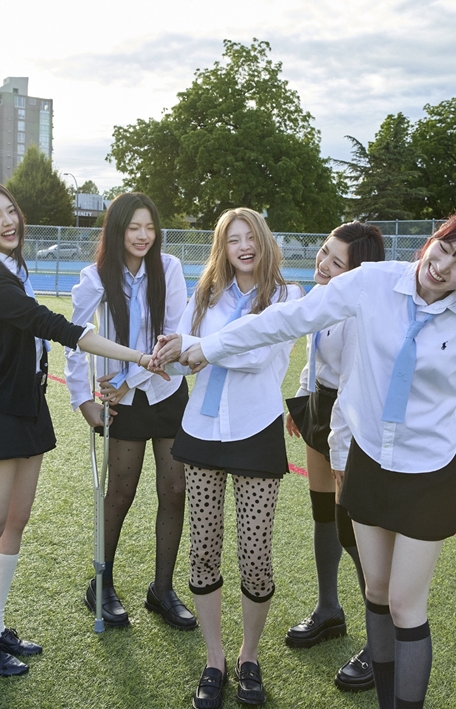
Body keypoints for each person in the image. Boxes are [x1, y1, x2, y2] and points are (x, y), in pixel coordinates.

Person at [159, 206, 456, 709]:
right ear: (433, 239)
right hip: (368, 460)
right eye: (443, 249)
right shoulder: (372, 282)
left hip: (428, 470)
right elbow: (285, 319)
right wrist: (208, 347)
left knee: (405, 604)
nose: (443, 267)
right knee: (377, 592)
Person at [0, 181, 156, 677]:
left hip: (29, 407)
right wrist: (138, 357)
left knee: (16, 520)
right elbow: (60, 329)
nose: (8, 222)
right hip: (0, 413)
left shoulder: (13, 269)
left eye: (10, 211)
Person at [153, 208, 303, 708]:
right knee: (202, 550)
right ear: (223, 247)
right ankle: (215, 659)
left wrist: (196, 346)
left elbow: (256, 354)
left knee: (256, 557)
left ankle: (248, 656)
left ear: (264, 241)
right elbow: (181, 359)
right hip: (201, 431)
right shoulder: (204, 296)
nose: (244, 246)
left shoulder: (286, 296)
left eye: (251, 236)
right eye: (233, 239)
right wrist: (166, 356)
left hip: (255, 432)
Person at [65, 192, 196, 631]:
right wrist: (83, 399)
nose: (143, 236)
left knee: (175, 489)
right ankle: (101, 585)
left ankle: (163, 589)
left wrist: (128, 378)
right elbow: (73, 338)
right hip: (123, 404)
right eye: (134, 227)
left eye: (150, 227)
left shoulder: (169, 268)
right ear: (117, 230)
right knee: (120, 492)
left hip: (166, 391)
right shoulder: (95, 277)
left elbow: (173, 336)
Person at [283, 222, 384, 695]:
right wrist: (302, 401)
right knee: (323, 514)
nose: (322, 263)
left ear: (357, 273)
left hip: (350, 418)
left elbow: (353, 385)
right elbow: (314, 355)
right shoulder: (323, 297)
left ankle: (380, 643)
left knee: (352, 530)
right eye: (324, 251)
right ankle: (329, 611)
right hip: (320, 407)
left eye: (336, 261)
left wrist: (339, 446)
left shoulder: (361, 312)